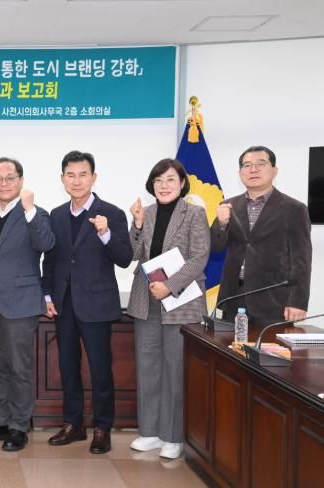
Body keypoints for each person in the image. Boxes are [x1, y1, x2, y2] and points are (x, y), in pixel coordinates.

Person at [42, 150, 132, 454]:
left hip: (96, 304)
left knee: (100, 369)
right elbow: (50, 260)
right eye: (71, 175)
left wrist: (105, 233)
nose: (77, 180)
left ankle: (102, 427)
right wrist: (47, 294)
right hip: (64, 304)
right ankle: (74, 424)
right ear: (62, 179)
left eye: (83, 174)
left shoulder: (112, 213)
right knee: (68, 367)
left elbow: (124, 258)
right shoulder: (56, 214)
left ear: (94, 178)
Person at [0, 157, 55, 451]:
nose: (4, 183)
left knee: (19, 368)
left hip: (21, 304)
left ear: (21, 180)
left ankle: (18, 426)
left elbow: (46, 244)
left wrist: (29, 210)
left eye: (10, 177)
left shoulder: (36, 214)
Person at [126, 158, 210, 460]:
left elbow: (199, 258)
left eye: (170, 180)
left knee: (175, 369)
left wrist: (170, 286)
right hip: (146, 299)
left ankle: (173, 436)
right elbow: (132, 254)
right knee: (147, 366)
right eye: (158, 180)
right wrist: (136, 225)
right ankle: (150, 432)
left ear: (182, 183)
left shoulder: (195, 213)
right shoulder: (145, 213)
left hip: (181, 300)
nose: (164, 186)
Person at [211, 145, 312, 323]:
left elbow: (301, 259)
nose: (253, 169)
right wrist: (221, 224)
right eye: (247, 165)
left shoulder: (294, 209)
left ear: (274, 171)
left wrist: (297, 301)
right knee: (228, 343)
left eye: (261, 164)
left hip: (273, 301)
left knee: (270, 343)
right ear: (240, 172)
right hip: (233, 298)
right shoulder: (228, 205)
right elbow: (215, 247)